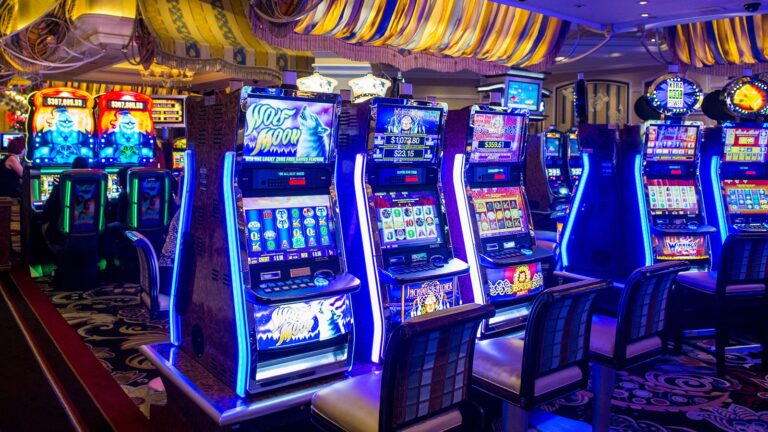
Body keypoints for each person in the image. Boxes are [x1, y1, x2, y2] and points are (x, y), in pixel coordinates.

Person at [42, 156, 90, 251]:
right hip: (90, 232)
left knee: (43, 226)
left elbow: (46, 210)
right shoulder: (97, 186)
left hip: (63, 234)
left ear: (72, 168)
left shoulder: (60, 187)